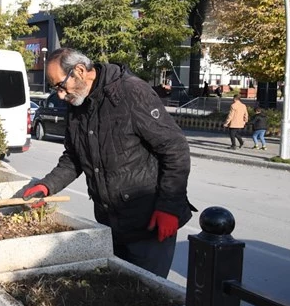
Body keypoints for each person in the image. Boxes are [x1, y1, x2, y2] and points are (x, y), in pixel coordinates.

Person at [21, 48, 194, 278]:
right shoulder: (77, 104)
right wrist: (46, 186)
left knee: (146, 302)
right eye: (56, 89)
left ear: (80, 71)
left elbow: (175, 148)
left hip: (150, 226)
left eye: (60, 86)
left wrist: (169, 208)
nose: (61, 96)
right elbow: (74, 158)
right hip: (111, 226)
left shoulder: (130, 92)